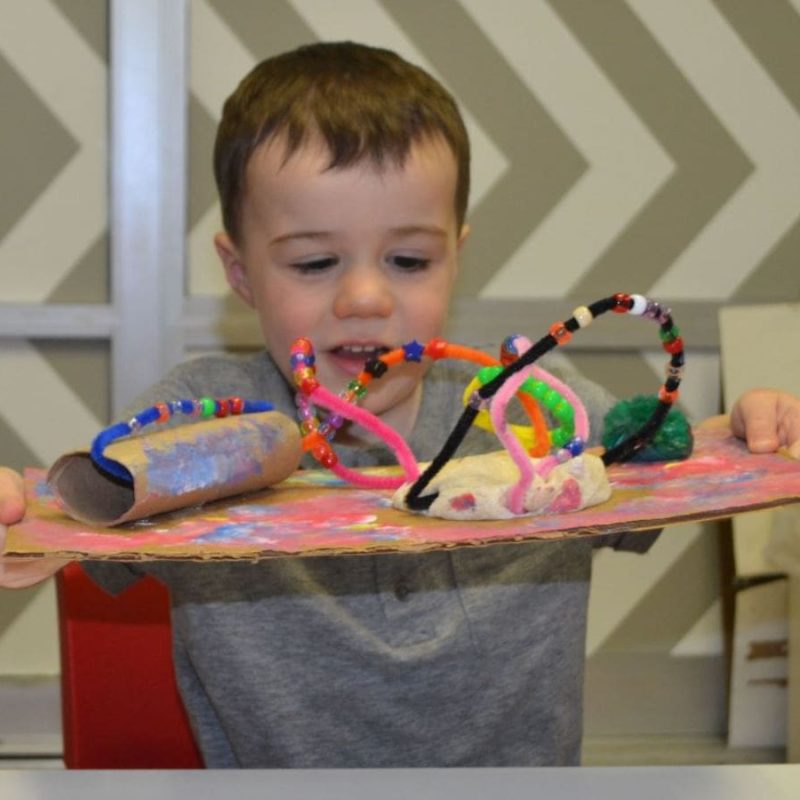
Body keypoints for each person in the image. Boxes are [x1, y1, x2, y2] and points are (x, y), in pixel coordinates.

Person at [1, 41, 800, 767]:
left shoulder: (533, 414)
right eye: (314, 262)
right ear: (240, 272)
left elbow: (675, 459)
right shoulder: (197, 421)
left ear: (457, 254)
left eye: (409, 258)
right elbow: (57, 532)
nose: (365, 297)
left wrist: (745, 431)